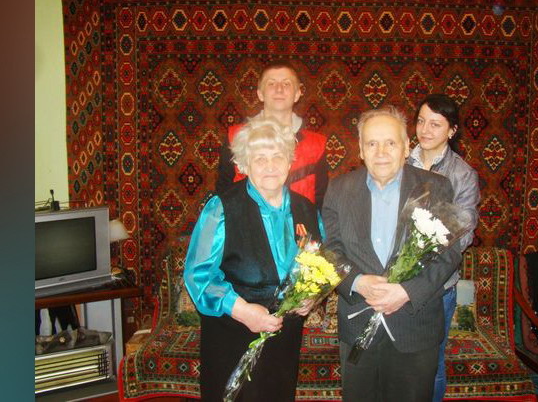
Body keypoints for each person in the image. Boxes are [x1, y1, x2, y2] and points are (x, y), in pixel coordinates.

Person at [322, 106, 462, 401]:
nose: (381, 152)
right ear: (361, 150)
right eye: (372, 143)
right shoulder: (338, 189)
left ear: (406, 147)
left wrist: (406, 291)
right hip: (358, 324)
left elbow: (448, 255)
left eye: (390, 143)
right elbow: (330, 251)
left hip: (415, 328)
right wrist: (357, 282)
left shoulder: (435, 187)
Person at [184, 117, 324, 402]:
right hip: (232, 337)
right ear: (244, 165)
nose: (270, 165)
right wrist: (243, 311)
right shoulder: (220, 208)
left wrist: (312, 296)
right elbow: (198, 275)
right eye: (260, 158)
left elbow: (317, 266)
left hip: (284, 342)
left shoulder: (308, 210)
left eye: (277, 156)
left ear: (290, 162)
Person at [408, 94, 480, 402]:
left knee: (431, 363)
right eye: (421, 121)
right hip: (396, 282)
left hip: (438, 285)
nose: (425, 130)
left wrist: (420, 259)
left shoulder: (462, 175)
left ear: (452, 130)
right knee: (396, 360)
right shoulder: (399, 161)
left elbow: (463, 236)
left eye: (435, 124)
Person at [215, 61, 328, 208]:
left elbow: (321, 200)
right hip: (247, 220)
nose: (279, 89)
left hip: (300, 221)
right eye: (271, 83)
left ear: (297, 94)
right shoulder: (235, 137)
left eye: (286, 84)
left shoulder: (316, 145)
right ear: (260, 94)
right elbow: (224, 192)